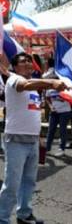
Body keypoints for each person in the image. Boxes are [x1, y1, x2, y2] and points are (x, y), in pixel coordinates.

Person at [0, 52, 67, 224]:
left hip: (32, 141)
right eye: (23, 61)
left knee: (28, 182)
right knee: (12, 184)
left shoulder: (35, 91)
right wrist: (51, 82)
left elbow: (33, 114)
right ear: (15, 67)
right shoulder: (14, 80)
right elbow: (25, 84)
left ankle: (24, 214)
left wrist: (40, 138)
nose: (28, 64)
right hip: (16, 141)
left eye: (30, 61)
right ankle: (3, 218)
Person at [45, 76, 72, 157]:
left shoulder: (65, 88)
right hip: (54, 112)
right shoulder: (49, 89)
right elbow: (47, 98)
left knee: (62, 130)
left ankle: (61, 149)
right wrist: (50, 106)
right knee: (51, 130)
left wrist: (66, 92)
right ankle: (47, 148)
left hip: (65, 112)